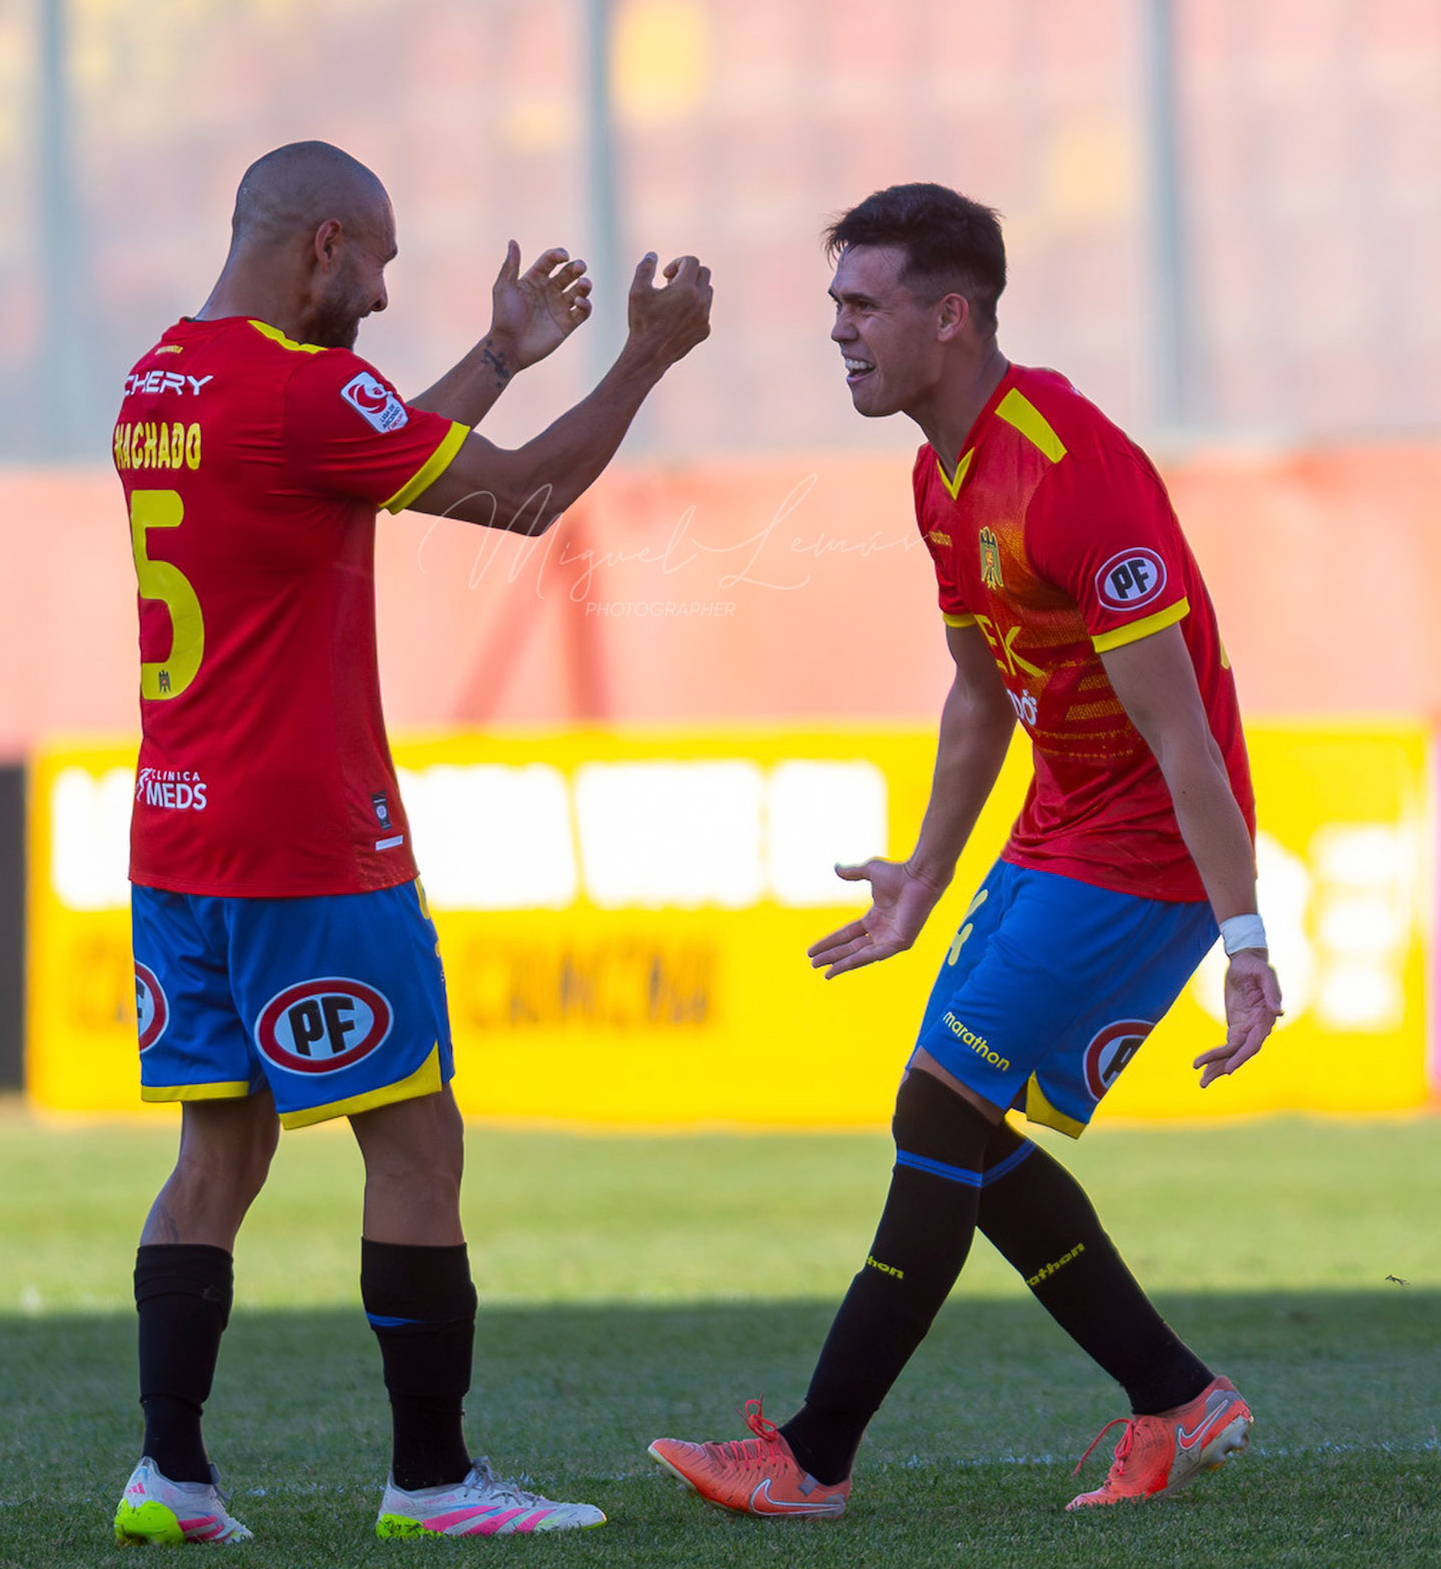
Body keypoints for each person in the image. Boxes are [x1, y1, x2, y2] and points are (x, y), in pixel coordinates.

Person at [648, 182, 1282, 1518]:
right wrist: (923, 875)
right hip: (1060, 827)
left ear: (951, 315)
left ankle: (814, 1456)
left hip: (1147, 851)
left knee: (940, 1112)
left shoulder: (1071, 472)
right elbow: (982, 691)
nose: (839, 331)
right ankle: (1179, 1398)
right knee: (951, 1123)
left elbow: (1187, 743)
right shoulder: (939, 474)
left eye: (862, 304)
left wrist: (1246, 948)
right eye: (835, 305)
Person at [110, 139, 711, 1545]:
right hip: (311, 840)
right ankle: (433, 1483)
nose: (383, 294)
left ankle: (169, 1476)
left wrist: (499, 358)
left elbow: (359, 456)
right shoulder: (304, 392)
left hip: (178, 836)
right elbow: (513, 498)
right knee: (416, 1143)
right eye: (376, 261)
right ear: (324, 243)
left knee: (218, 1151)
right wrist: (642, 361)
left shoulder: (162, 380)